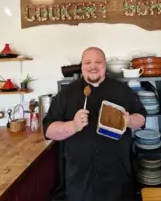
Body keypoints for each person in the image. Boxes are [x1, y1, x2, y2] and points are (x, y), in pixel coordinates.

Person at [42, 47, 147, 201]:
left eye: (98, 62)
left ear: (105, 65)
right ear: (82, 66)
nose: (93, 66)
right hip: (80, 180)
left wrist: (129, 120)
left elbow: (142, 118)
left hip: (117, 178)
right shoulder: (67, 93)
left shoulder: (122, 90)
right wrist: (73, 126)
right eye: (88, 62)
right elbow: (49, 131)